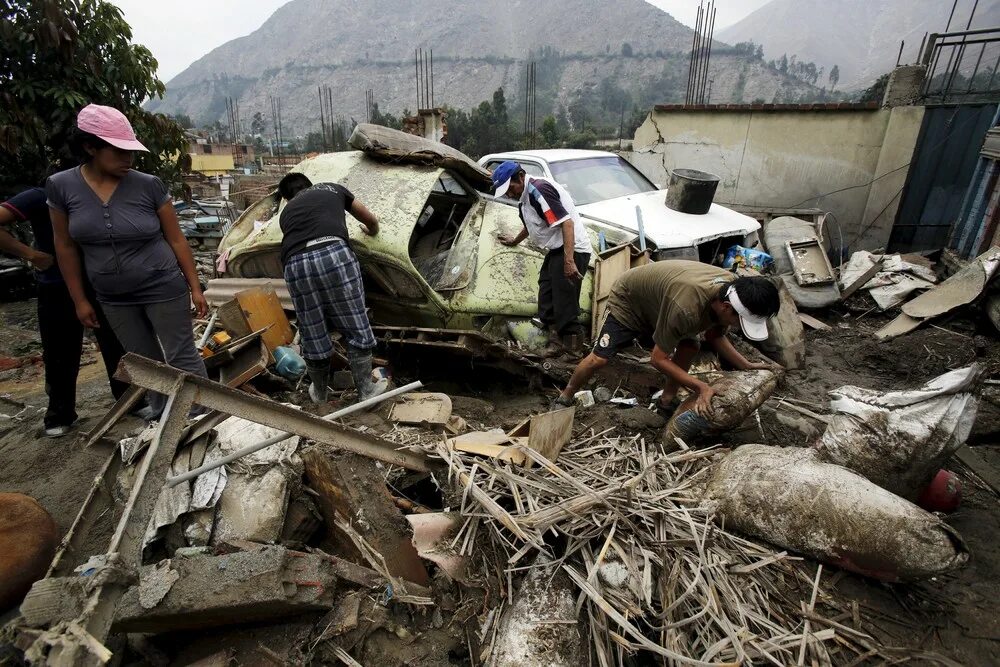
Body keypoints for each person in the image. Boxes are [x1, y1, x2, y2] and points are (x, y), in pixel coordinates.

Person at [46, 104, 208, 418]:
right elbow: (64, 246)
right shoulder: (62, 187)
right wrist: (79, 300)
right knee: (144, 361)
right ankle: (164, 419)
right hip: (112, 295)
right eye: (118, 151)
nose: (128, 159)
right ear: (90, 147)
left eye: (130, 151)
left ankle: (200, 416)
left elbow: (176, 239)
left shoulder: (148, 185)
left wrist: (195, 288)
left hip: (163, 284)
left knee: (180, 354)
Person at [553, 260, 781, 414]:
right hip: (630, 300)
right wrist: (701, 387)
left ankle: (665, 401)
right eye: (739, 320)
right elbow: (658, 359)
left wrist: (746, 364)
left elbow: (714, 334)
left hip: (664, 300)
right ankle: (566, 395)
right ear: (726, 308)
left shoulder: (731, 292)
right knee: (600, 358)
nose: (738, 326)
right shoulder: (687, 308)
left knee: (690, 346)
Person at [1, 185, 138, 437]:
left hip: (101, 282)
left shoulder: (101, 194)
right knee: (60, 351)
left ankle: (130, 402)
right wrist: (31, 254)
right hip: (57, 286)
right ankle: (59, 414)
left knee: (116, 343)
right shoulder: (40, 195)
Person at [276, 172, 388, 405]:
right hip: (333, 254)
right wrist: (372, 231)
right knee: (355, 322)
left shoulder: (286, 213)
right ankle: (366, 390)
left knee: (312, 329)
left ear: (286, 198)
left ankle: (320, 394)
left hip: (295, 264)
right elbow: (370, 219)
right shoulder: (331, 188)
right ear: (311, 185)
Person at [493, 161, 592, 355]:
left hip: (572, 248)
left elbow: (567, 224)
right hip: (557, 248)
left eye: (510, 187)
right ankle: (556, 343)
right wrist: (515, 241)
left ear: (520, 176)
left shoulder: (539, 191)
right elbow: (532, 226)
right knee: (546, 294)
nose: (509, 193)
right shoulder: (524, 199)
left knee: (565, 302)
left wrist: (569, 261)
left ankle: (573, 353)